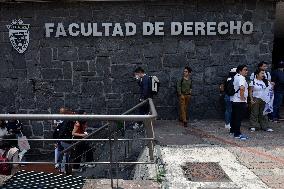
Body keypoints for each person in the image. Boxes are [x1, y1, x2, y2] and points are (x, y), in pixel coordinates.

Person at [230, 65, 249, 140]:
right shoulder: (241, 78)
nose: (247, 71)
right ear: (240, 71)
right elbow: (241, 88)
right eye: (245, 70)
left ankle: (232, 131)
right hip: (239, 101)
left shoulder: (236, 76)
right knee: (238, 117)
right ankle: (237, 134)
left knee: (234, 116)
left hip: (234, 100)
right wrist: (242, 98)